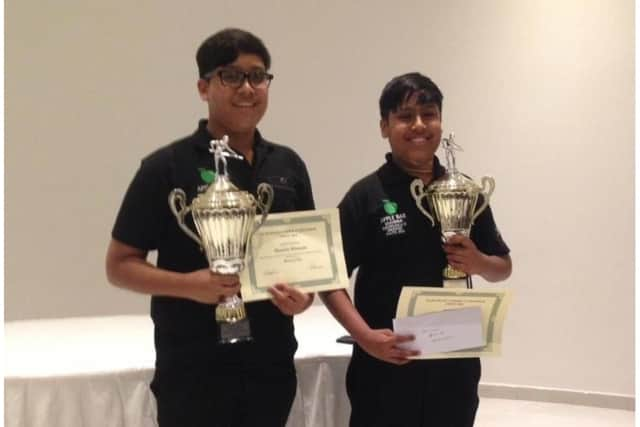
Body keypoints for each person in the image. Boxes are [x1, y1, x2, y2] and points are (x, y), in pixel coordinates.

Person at [106, 28, 315, 427]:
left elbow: (304, 255)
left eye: (258, 76)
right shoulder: (164, 167)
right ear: (203, 87)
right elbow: (119, 265)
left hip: (270, 363)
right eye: (231, 76)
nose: (248, 88)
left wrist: (303, 298)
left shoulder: (288, 165)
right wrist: (190, 285)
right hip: (193, 367)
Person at [320, 72, 512, 427]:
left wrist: (478, 261)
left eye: (429, 114)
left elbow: (502, 266)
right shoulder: (365, 197)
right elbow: (328, 279)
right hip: (387, 364)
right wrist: (365, 338)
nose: (419, 125)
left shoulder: (465, 191)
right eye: (405, 116)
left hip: (455, 361)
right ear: (384, 126)